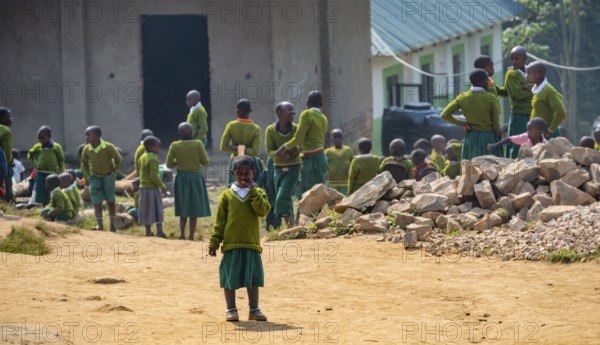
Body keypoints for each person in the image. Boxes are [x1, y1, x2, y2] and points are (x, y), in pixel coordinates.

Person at [208, 155, 271, 322]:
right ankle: (231, 309)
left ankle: (254, 309)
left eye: (247, 174)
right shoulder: (226, 195)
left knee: (253, 278)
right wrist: (214, 241)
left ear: (254, 174)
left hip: (251, 244)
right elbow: (220, 221)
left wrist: (253, 193)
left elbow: (262, 211)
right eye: (239, 174)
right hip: (231, 245)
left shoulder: (258, 193)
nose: (243, 177)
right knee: (229, 278)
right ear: (232, 174)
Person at [276, 91, 329, 195]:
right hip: (319, 157)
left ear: (307, 102)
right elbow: (313, 138)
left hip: (312, 159)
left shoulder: (306, 114)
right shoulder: (323, 118)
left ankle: (314, 211)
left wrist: (284, 147)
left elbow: (299, 138)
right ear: (321, 104)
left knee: (312, 193)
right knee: (305, 191)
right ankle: (303, 211)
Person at [441, 69, 502, 160]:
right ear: (481, 82)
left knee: (471, 168)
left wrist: (462, 124)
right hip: (488, 138)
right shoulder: (491, 97)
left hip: (471, 138)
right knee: (491, 169)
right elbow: (496, 123)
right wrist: (497, 137)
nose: (488, 83)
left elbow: (444, 114)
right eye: (487, 80)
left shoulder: (463, 97)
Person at [166, 123, 211, 240]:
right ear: (191, 133)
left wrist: (179, 162)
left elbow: (169, 164)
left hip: (181, 178)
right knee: (194, 207)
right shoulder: (198, 144)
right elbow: (205, 161)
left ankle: (181, 235)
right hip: (195, 177)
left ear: (179, 133)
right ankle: (191, 236)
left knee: (183, 206)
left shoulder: (174, 145)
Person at [265, 102, 301, 228]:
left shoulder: (296, 129)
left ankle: (291, 227)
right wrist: (278, 154)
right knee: (286, 200)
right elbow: (269, 151)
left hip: (293, 169)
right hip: (278, 170)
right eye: (289, 109)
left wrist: (293, 151)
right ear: (279, 113)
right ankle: (292, 228)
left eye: (293, 109)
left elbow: (301, 146)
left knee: (281, 198)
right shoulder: (270, 130)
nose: (293, 112)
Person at [80, 126, 122, 232]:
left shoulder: (108, 147)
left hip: (108, 176)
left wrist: (113, 173)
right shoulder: (87, 149)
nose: (86, 137)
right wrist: (88, 176)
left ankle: (112, 225)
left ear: (97, 136)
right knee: (96, 200)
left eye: (89, 134)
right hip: (95, 177)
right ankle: (100, 225)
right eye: (86, 135)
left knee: (110, 200)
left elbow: (118, 159)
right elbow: (84, 164)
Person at [498, 46, 534, 158]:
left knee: (533, 144)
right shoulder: (511, 74)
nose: (514, 61)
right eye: (512, 59)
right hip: (519, 116)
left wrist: (527, 87)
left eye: (517, 59)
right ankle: (515, 169)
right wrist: (532, 88)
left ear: (525, 59)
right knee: (517, 144)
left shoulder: (531, 71)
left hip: (532, 114)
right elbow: (517, 95)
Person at [220, 99, 262, 186]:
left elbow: (223, 147)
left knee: (233, 189)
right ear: (250, 111)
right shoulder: (256, 128)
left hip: (235, 162)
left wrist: (237, 148)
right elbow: (255, 152)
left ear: (237, 110)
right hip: (250, 163)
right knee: (251, 189)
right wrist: (246, 149)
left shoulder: (231, 125)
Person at [527, 61, 567, 139]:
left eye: (529, 73)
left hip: (547, 135)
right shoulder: (537, 89)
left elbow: (561, 113)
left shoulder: (549, 90)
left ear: (539, 74)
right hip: (537, 133)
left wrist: (549, 130)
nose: (526, 76)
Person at [27, 126, 65, 206]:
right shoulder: (38, 146)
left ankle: (51, 204)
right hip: (40, 172)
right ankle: (40, 204)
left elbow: (61, 159)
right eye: (39, 138)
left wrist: (61, 170)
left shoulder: (56, 147)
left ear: (49, 137)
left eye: (42, 138)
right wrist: (35, 163)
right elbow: (30, 155)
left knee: (52, 189)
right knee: (40, 189)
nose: (40, 140)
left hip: (52, 173)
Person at [138, 136, 167, 238]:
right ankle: (160, 232)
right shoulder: (153, 159)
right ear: (151, 147)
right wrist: (162, 186)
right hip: (152, 188)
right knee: (157, 209)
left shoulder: (142, 157)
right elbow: (154, 176)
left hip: (143, 187)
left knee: (146, 209)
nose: (159, 149)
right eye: (158, 147)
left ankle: (148, 232)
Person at [324, 128, 353, 195]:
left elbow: (353, 164)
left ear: (342, 137)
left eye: (339, 137)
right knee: (333, 203)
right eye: (335, 137)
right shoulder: (328, 152)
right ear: (332, 138)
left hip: (345, 183)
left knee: (345, 202)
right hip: (332, 183)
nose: (338, 139)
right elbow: (324, 165)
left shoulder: (348, 150)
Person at [0, 108, 14, 202]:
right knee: (7, 182)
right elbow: (8, 150)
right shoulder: (6, 130)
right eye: (8, 116)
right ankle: (8, 202)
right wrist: (9, 161)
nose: (11, 118)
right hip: (2, 161)